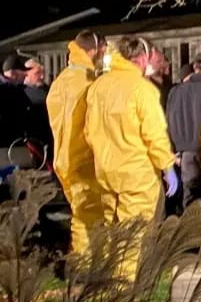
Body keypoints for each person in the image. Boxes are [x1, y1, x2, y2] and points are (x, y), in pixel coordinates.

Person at [84, 35, 178, 276]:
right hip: (137, 172)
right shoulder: (142, 90)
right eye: (155, 56)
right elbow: (154, 134)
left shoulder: (98, 87)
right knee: (134, 234)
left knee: (111, 228)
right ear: (142, 57)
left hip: (105, 170)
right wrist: (167, 166)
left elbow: (88, 131)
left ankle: (104, 278)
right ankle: (123, 289)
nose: (157, 62)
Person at [46, 31, 107, 259]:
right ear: (93, 50)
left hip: (62, 159)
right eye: (103, 50)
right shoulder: (88, 83)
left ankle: (85, 262)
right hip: (83, 159)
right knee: (88, 216)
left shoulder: (60, 82)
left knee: (80, 213)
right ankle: (85, 267)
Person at [166, 51, 201, 208]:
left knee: (191, 203)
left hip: (186, 155)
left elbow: (169, 121)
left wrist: (175, 150)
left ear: (195, 67)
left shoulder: (176, 92)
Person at [0, 54, 32, 150]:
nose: (25, 77)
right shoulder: (12, 92)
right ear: (14, 74)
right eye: (23, 74)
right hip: (9, 145)